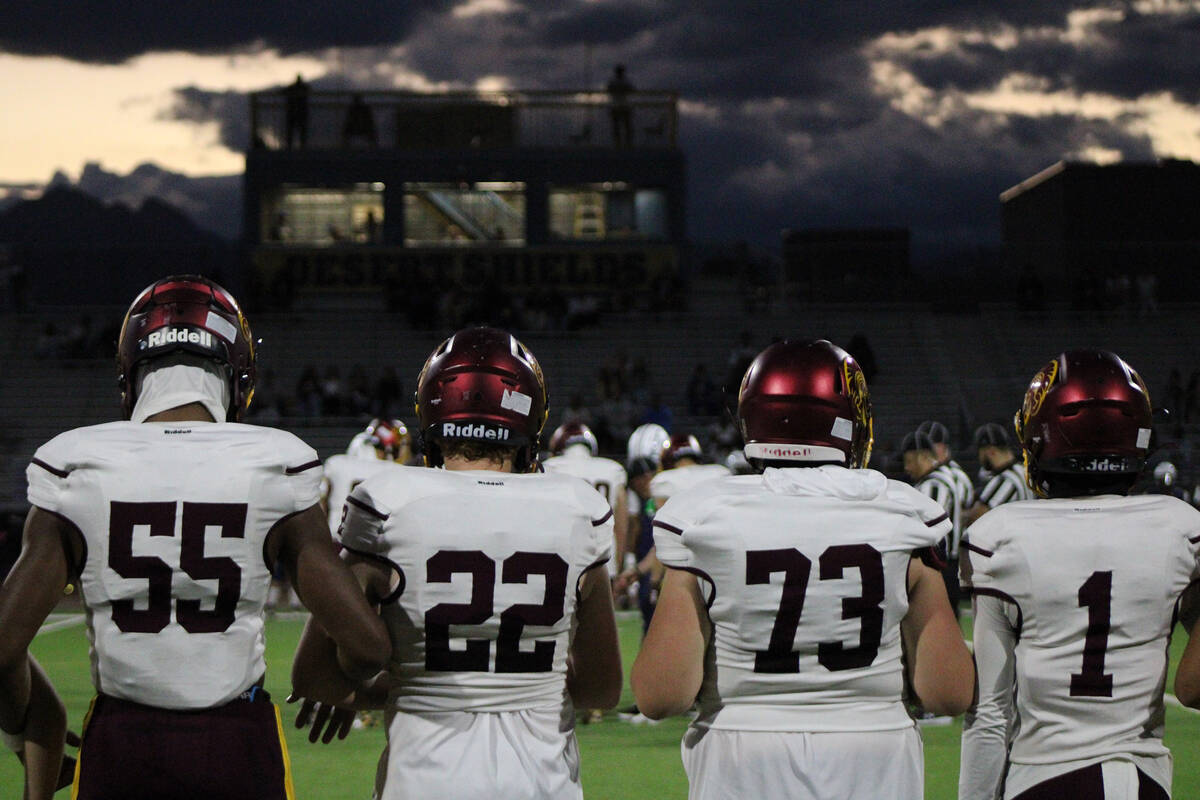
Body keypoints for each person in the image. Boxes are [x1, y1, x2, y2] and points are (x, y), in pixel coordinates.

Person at [0, 275, 390, 800]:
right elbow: (366, 645)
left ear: (131, 373)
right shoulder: (275, 459)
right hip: (237, 745)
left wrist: (32, 724)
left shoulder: (75, 461)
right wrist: (338, 682)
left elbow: (3, 650)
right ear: (237, 375)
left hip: (121, 743)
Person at [631, 339, 974, 799]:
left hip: (743, 758)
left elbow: (659, 695)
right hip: (873, 758)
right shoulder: (900, 514)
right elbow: (949, 692)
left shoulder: (706, 517)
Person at [291, 326, 622, 800]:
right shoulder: (576, 508)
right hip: (540, 784)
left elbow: (314, 676)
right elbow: (600, 689)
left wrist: (409, 686)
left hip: (422, 780)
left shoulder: (388, 502)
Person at [960, 349, 1200, 800]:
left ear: (1041, 437)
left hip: (1043, 779)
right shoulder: (1181, 529)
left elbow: (991, 716)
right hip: (1142, 782)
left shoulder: (1002, 535)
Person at [963, 422, 1034, 526]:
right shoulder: (1023, 471)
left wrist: (960, 515)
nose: (980, 458)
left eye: (980, 452)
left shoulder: (1006, 479)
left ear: (991, 451)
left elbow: (977, 517)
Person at [606, 64, 634, 148]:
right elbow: (632, 90)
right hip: (622, 106)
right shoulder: (625, 81)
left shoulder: (613, 82)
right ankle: (625, 144)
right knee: (624, 126)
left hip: (617, 106)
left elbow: (609, 90)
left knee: (619, 126)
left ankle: (620, 144)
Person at [284, 74, 310, 149]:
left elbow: (284, 91)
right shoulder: (302, 88)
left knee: (295, 131)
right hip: (299, 112)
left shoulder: (293, 88)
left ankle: (293, 147)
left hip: (295, 112)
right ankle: (299, 146)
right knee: (298, 131)